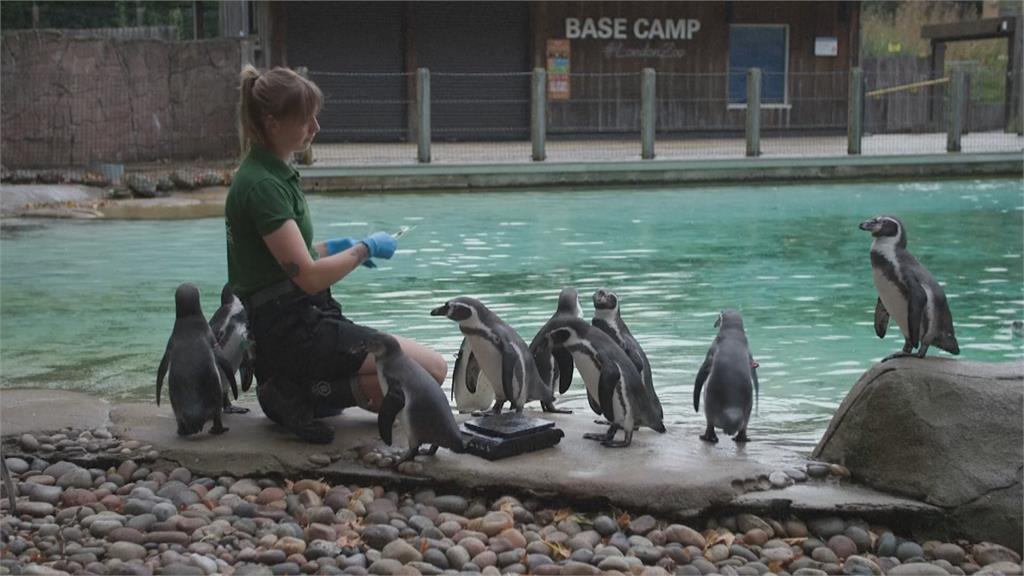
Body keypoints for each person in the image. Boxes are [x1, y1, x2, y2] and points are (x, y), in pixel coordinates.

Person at [224, 65, 447, 444]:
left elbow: (288, 260)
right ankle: (295, 392)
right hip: (292, 330)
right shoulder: (262, 185)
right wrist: (362, 250)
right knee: (430, 374)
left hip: (303, 317)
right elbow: (307, 276)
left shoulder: (273, 172)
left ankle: (301, 389)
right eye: (305, 120)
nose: (316, 129)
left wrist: (335, 247)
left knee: (423, 374)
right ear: (272, 122)